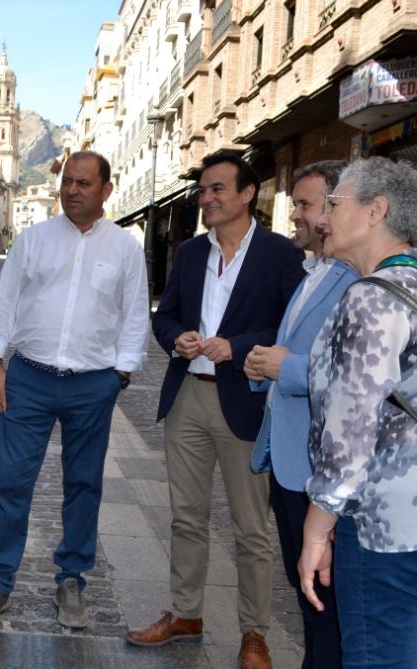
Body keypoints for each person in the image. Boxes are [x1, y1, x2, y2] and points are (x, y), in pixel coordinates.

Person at [297, 157, 417, 667]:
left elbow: (353, 422)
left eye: (335, 203)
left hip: (387, 529)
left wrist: (318, 526)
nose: (323, 217)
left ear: (375, 212)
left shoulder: (372, 299)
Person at [128, 150, 304, 669]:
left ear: (248, 194)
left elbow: (292, 329)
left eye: (217, 190)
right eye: (203, 191)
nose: (206, 199)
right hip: (187, 397)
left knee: (251, 526)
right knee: (186, 517)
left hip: (245, 401)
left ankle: (255, 633)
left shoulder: (280, 254)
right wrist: (175, 337)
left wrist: (238, 344)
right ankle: (186, 614)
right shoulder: (188, 253)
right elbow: (167, 315)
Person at [0, 151, 149, 632]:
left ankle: (71, 579)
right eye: (67, 181)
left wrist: (121, 375)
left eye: (84, 183)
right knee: (11, 481)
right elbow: (5, 304)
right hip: (28, 378)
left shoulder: (125, 249)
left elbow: (134, 316)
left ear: (106, 190)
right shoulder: (33, 240)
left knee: (84, 484)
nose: (72, 190)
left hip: (93, 384)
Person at [243, 161, 354, 669]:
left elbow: (361, 372)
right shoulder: (314, 270)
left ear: (337, 207)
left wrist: (284, 369)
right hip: (290, 460)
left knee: (328, 602)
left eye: (306, 204)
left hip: (322, 465)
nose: (295, 214)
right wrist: (262, 364)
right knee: (308, 593)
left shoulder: (358, 278)